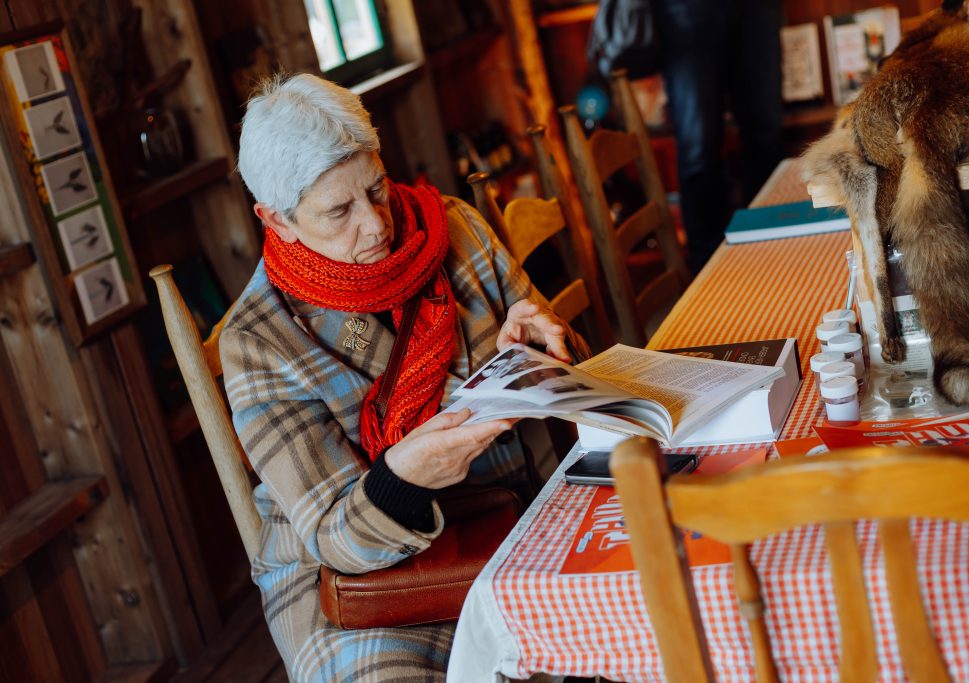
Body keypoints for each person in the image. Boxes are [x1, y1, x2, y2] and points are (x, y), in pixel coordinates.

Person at [222, 73, 589, 682]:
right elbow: (335, 537)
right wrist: (402, 481)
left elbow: (576, 374)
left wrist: (547, 348)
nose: (376, 224)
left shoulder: (453, 229)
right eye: (338, 210)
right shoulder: (257, 338)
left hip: (508, 510)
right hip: (353, 580)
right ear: (275, 220)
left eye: (376, 188)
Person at [649, 0, 784, 272]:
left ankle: (778, 254)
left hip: (755, 8)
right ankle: (709, 273)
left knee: (766, 135)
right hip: (685, 8)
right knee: (698, 150)